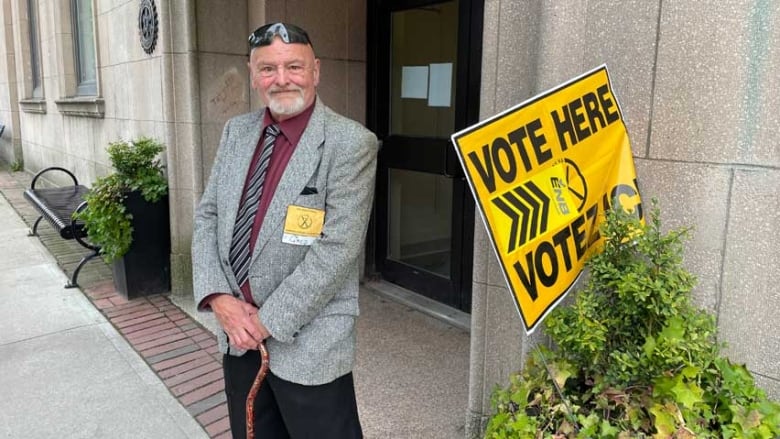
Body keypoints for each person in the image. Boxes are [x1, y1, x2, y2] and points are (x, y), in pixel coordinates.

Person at [192, 22, 377, 438]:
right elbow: (208, 216)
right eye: (267, 69)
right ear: (254, 75)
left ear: (316, 71)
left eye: (294, 66)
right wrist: (219, 298)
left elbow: (338, 250)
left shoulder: (350, 143)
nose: (281, 79)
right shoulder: (235, 132)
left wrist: (264, 322)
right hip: (237, 336)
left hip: (310, 344)